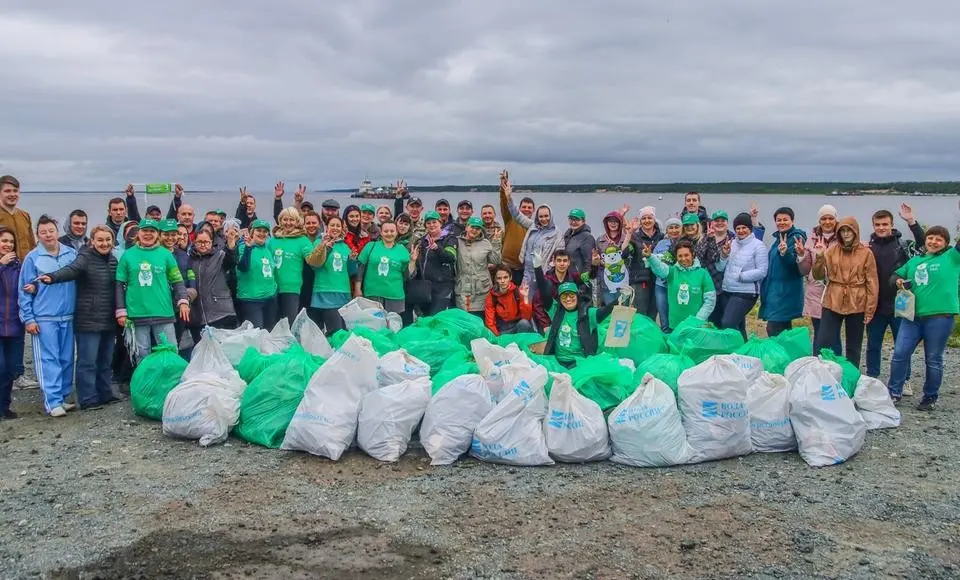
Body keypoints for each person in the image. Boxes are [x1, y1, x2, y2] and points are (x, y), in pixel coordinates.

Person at [38, 225, 119, 409]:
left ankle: (105, 393)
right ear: (92, 241)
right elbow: (71, 270)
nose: (104, 243)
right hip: (88, 319)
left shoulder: (114, 261)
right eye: (100, 240)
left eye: (108, 240)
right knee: (87, 362)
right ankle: (88, 398)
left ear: (112, 242)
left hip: (108, 318)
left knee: (106, 360)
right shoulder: (85, 258)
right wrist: (52, 277)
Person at [888, 225, 960, 410]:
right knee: (900, 354)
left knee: (933, 358)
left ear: (945, 243)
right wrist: (897, 281)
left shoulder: (951, 257)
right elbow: (894, 276)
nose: (933, 242)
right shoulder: (915, 261)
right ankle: (894, 392)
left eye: (939, 239)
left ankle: (930, 397)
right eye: (931, 238)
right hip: (912, 318)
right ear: (926, 240)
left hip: (940, 317)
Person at [18, 216, 78, 416]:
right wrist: (29, 319)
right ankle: (52, 402)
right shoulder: (33, 258)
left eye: (51, 230)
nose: (48, 235)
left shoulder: (71, 254)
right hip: (45, 317)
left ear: (57, 231)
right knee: (48, 359)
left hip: (68, 316)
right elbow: (24, 290)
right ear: (38, 235)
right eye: (43, 232)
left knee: (67, 358)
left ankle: (62, 396)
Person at [115, 219, 190, 365]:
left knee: (170, 351)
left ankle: (170, 386)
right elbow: (119, 284)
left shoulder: (166, 254)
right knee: (142, 354)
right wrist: (121, 311)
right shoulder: (128, 255)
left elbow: (177, 281)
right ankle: (144, 386)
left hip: (163, 313)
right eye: (145, 231)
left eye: (152, 231)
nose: (148, 234)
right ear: (139, 233)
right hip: (137, 314)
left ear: (157, 235)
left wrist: (183, 301)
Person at [866, 204, 925, 385]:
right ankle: (872, 378)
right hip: (876, 306)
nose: (881, 228)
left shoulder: (903, 246)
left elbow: (923, 246)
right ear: (873, 226)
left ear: (891, 225)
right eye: (878, 224)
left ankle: (904, 379)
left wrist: (911, 221)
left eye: (885, 224)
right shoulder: (868, 248)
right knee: (873, 345)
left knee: (902, 347)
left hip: (900, 305)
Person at [810, 217, 878, 368]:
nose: (846, 234)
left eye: (849, 230)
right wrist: (820, 257)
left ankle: (851, 377)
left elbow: (872, 283)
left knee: (854, 345)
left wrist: (870, 308)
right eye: (842, 231)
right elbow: (818, 276)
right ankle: (821, 374)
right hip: (833, 299)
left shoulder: (866, 253)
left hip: (857, 301)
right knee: (823, 342)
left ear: (856, 232)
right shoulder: (831, 251)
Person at [536, 279, 617, 368]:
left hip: (579, 364)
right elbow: (544, 294)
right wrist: (537, 268)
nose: (568, 299)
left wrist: (620, 299)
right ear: (560, 300)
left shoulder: (588, 313)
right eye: (564, 296)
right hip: (558, 362)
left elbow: (605, 311)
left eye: (571, 295)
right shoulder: (556, 312)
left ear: (577, 296)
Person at [644, 240, 717, 330]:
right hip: (675, 325)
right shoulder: (672, 271)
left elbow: (710, 301)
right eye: (680, 256)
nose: (683, 259)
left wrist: (698, 320)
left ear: (693, 254)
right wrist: (650, 257)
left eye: (686, 255)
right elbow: (659, 267)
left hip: (697, 326)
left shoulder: (703, 273)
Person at [798, 205, 842, 355]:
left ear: (836, 219)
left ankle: (836, 364)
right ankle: (817, 364)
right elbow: (805, 269)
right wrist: (801, 255)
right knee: (819, 331)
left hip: (835, 290)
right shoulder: (812, 238)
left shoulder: (842, 237)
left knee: (834, 334)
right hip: (816, 291)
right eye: (824, 218)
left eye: (831, 218)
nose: (827, 222)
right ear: (819, 220)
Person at [719, 213, 768, 340]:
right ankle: (743, 352)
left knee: (728, 323)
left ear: (750, 228)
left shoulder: (758, 245)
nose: (740, 231)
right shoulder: (731, 243)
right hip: (728, 290)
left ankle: (738, 350)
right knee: (739, 326)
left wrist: (741, 276)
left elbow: (762, 271)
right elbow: (720, 268)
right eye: (738, 228)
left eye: (744, 227)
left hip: (746, 293)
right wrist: (724, 255)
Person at [759, 207, 807, 337]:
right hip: (776, 291)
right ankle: (787, 356)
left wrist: (784, 253)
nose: (782, 222)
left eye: (785, 219)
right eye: (778, 220)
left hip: (785, 291)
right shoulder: (779, 238)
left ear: (792, 220)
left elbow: (794, 264)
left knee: (773, 328)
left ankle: (779, 356)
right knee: (783, 330)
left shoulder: (796, 237)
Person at [187, 229, 238, 344]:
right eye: (199, 242)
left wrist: (231, 244)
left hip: (221, 314)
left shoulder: (220, 255)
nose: (203, 245)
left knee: (225, 351)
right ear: (194, 242)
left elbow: (232, 260)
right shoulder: (189, 260)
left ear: (211, 242)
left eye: (206, 242)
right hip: (198, 317)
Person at [305, 216, 354, 334]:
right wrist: (326, 248)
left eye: (338, 226)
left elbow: (350, 272)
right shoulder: (319, 242)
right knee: (335, 329)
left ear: (342, 229)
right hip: (325, 292)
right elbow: (315, 265)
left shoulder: (345, 247)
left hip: (343, 292)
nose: (335, 228)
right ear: (327, 228)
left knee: (343, 329)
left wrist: (352, 261)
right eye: (332, 225)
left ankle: (339, 351)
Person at [355, 221, 411, 315]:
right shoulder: (371, 246)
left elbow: (407, 276)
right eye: (386, 231)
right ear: (381, 232)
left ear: (396, 232)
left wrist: (413, 261)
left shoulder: (402, 250)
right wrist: (357, 289)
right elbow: (360, 269)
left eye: (392, 231)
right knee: (373, 326)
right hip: (372, 295)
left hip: (395, 297)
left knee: (393, 327)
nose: (389, 233)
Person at [409, 211, 458, 315]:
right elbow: (418, 265)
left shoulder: (450, 238)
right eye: (428, 223)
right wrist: (413, 260)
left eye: (434, 222)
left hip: (443, 287)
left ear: (440, 223)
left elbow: (451, 257)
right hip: (425, 287)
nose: (431, 225)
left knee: (436, 317)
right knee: (424, 318)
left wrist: (437, 249)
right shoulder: (422, 241)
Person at [270, 207, 314, 323]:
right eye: (285, 219)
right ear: (280, 221)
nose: (288, 223)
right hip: (271, 288)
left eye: (292, 220)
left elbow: (313, 259)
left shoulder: (302, 240)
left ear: (297, 222)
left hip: (291, 288)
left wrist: (324, 247)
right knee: (272, 323)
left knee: (289, 324)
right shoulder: (273, 241)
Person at [235, 219, 279, 329]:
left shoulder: (267, 249)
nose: (262, 234)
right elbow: (243, 268)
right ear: (252, 232)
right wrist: (248, 248)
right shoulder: (243, 247)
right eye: (258, 230)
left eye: (265, 231)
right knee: (256, 333)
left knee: (269, 331)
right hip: (251, 299)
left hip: (269, 298)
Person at [532, 249, 588, 331]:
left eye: (565, 261)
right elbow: (537, 304)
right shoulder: (546, 280)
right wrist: (546, 325)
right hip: (549, 319)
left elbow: (588, 280)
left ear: (569, 263)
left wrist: (594, 265)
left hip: (568, 319)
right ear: (553, 262)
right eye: (559, 261)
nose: (562, 264)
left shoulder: (574, 277)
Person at [0, 227, 24, 418]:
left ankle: (4, 406)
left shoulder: (18, 266)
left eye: (10, 242)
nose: (7, 245)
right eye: (3, 241)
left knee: (11, 368)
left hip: (15, 324)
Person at [456, 217, 502, 314]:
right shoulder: (457, 242)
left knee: (481, 319)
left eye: (478, 228)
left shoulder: (485, 243)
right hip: (463, 289)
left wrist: (496, 242)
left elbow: (496, 261)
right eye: (472, 227)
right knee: (465, 319)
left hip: (482, 290)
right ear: (467, 227)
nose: (475, 230)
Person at [626, 206, 663, 317]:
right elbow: (624, 253)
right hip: (639, 281)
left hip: (657, 280)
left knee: (653, 314)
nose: (647, 221)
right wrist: (628, 234)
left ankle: (650, 334)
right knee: (640, 314)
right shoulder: (634, 237)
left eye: (649, 218)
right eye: (644, 218)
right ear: (640, 221)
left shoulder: (661, 237)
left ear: (654, 219)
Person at [499, 171, 535, 284]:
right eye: (523, 207)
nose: (526, 209)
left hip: (525, 270)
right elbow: (505, 204)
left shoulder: (535, 227)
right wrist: (504, 187)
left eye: (529, 207)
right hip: (508, 267)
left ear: (533, 210)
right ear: (518, 208)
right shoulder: (510, 219)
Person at [595, 211, 634, 306]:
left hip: (623, 280)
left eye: (616, 221)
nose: (613, 224)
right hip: (607, 282)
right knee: (609, 309)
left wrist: (629, 234)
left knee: (624, 309)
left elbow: (628, 255)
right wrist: (600, 261)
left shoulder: (626, 238)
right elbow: (597, 259)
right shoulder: (600, 240)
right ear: (606, 223)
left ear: (620, 223)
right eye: (610, 221)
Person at [519, 204, 564, 286]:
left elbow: (559, 255)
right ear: (537, 217)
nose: (544, 219)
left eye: (546, 216)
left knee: (537, 297)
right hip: (527, 272)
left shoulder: (557, 233)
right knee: (524, 296)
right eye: (541, 216)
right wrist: (508, 198)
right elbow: (518, 216)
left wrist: (548, 270)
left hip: (542, 274)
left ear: (551, 216)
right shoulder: (533, 226)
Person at [651, 216, 683, 331]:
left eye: (676, 227)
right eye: (671, 228)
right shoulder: (661, 244)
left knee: (677, 317)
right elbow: (652, 263)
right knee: (664, 317)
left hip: (678, 286)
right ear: (667, 230)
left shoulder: (685, 243)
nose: (674, 230)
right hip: (661, 286)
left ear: (681, 229)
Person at [485, 267, 534, 336]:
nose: (502, 281)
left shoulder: (517, 291)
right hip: (502, 330)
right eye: (499, 278)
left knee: (524, 323)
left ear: (510, 278)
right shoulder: (492, 296)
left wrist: (525, 298)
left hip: (517, 327)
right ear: (495, 280)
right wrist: (497, 337)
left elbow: (526, 317)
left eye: (505, 277)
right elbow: (490, 322)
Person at [0, 176, 37, 261]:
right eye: (7, 191)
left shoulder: (24, 215)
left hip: (25, 268)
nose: (12, 194)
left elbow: (32, 245)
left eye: (15, 191)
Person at [563, 208, 595, 275]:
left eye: (577, 220)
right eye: (571, 219)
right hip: (566, 276)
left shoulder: (587, 237)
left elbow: (588, 261)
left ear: (583, 221)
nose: (573, 222)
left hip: (578, 278)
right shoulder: (567, 234)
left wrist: (584, 278)